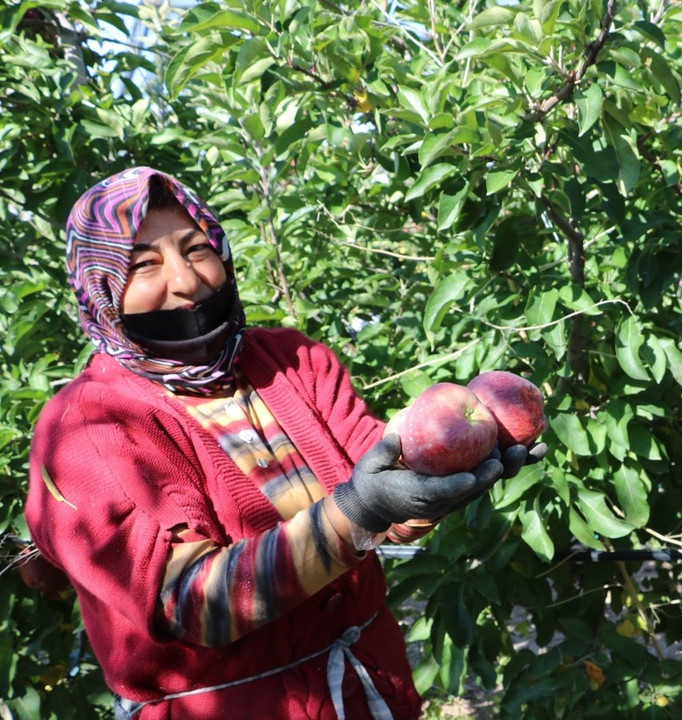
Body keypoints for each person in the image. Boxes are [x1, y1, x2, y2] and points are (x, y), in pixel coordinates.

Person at [25, 167, 546, 720]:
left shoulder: (292, 361)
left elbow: (386, 495)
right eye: (142, 264)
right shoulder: (88, 430)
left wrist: (436, 478)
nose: (185, 281)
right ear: (101, 286)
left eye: (196, 248)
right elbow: (194, 603)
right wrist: (357, 512)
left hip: (369, 691)